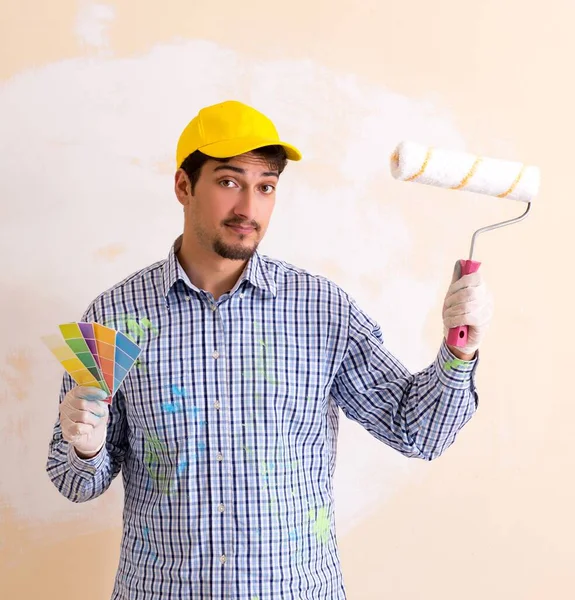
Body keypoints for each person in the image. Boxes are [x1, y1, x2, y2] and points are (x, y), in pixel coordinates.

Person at [46, 100, 493, 599]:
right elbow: (74, 483)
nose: (249, 209)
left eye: (266, 187)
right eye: (229, 182)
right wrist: (84, 446)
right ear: (183, 186)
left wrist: (460, 355)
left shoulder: (323, 310)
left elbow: (418, 432)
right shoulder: (111, 319)